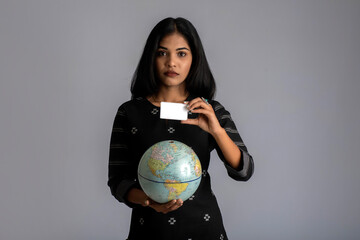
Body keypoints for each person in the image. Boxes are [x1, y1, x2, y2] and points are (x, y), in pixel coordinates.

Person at [108, 17, 254, 240]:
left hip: (204, 229)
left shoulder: (209, 110)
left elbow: (244, 170)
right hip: (148, 229)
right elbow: (118, 181)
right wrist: (148, 201)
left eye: (181, 53)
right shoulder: (129, 113)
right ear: (151, 57)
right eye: (162, 53)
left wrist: (216, 130)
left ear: (194, 59)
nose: (171, 63)